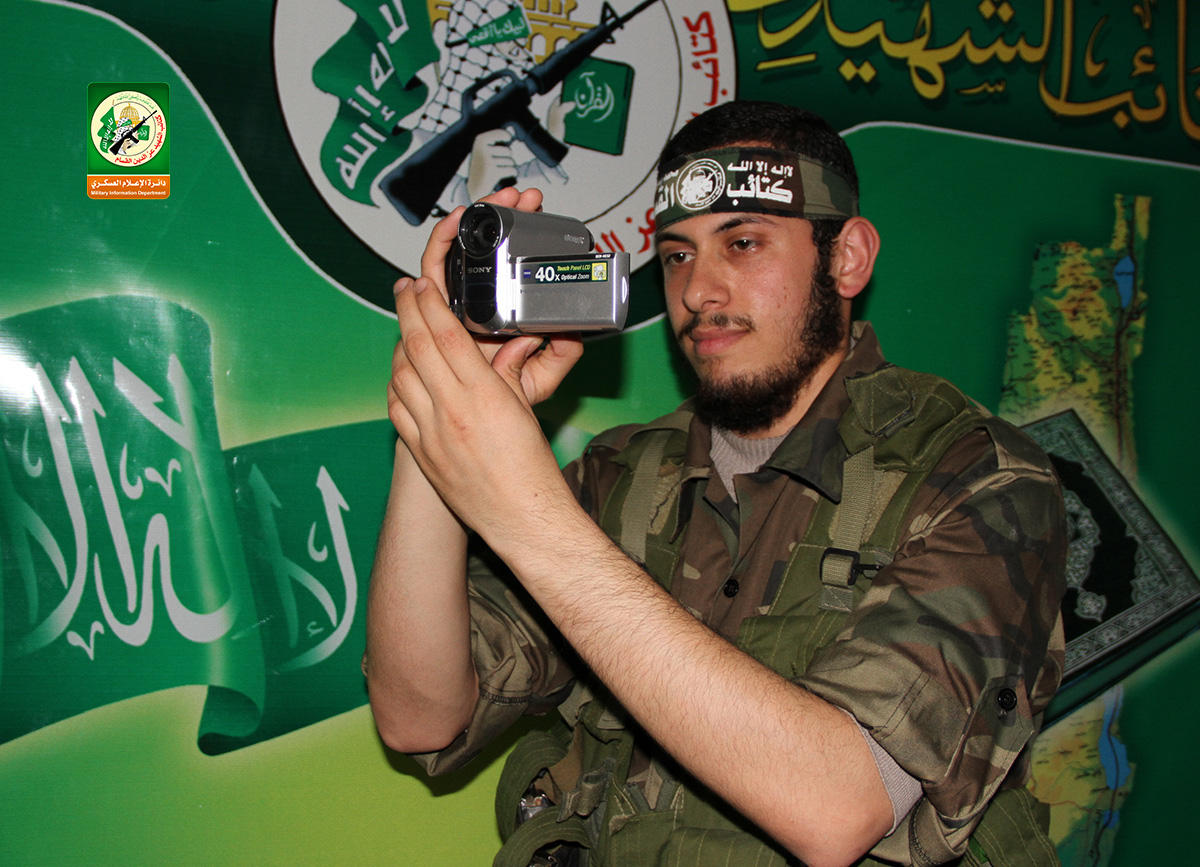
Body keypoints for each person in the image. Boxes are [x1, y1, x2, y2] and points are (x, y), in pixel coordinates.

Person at [365, 101, 1067, 867]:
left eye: (743, 242)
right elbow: (419, 716)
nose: (699, 289)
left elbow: (839, 807)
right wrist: (437, 415)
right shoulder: (622, 474)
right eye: (676, 255)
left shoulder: (981, 476)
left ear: (847, 258)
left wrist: (527, 515)